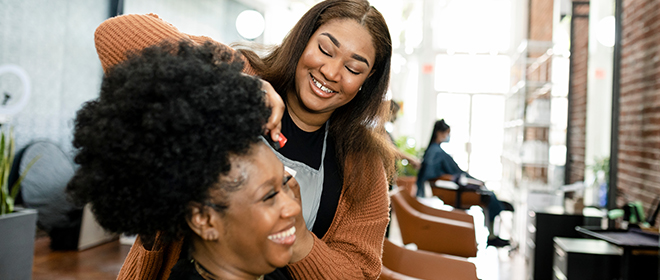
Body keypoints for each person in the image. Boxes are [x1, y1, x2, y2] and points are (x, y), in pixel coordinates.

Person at [93, 0, 396, 279]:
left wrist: (301, 241)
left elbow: (359, 273)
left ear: (366, 83)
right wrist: (235, 86)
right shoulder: (238, 74)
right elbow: (114, 35)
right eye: (326, 50)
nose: (331, 72)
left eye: (353, 68)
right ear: (302, 42)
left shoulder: (364, 164)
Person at [66, 41, 302, 279]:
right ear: (204, 220)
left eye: (284, 183)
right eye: (269, 195)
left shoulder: (271, 271)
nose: (294, 207)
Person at [416, 119, 513, 247]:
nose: (448, 137)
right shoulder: (436, 152)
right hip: (454, 190)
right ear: (440, 133)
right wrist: (465, 180)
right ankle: (492, 235)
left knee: (489, 194)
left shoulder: (435, 150)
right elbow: (436, 176)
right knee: (489, 197)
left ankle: (493, 230)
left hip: (456, 184)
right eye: (447, 133)